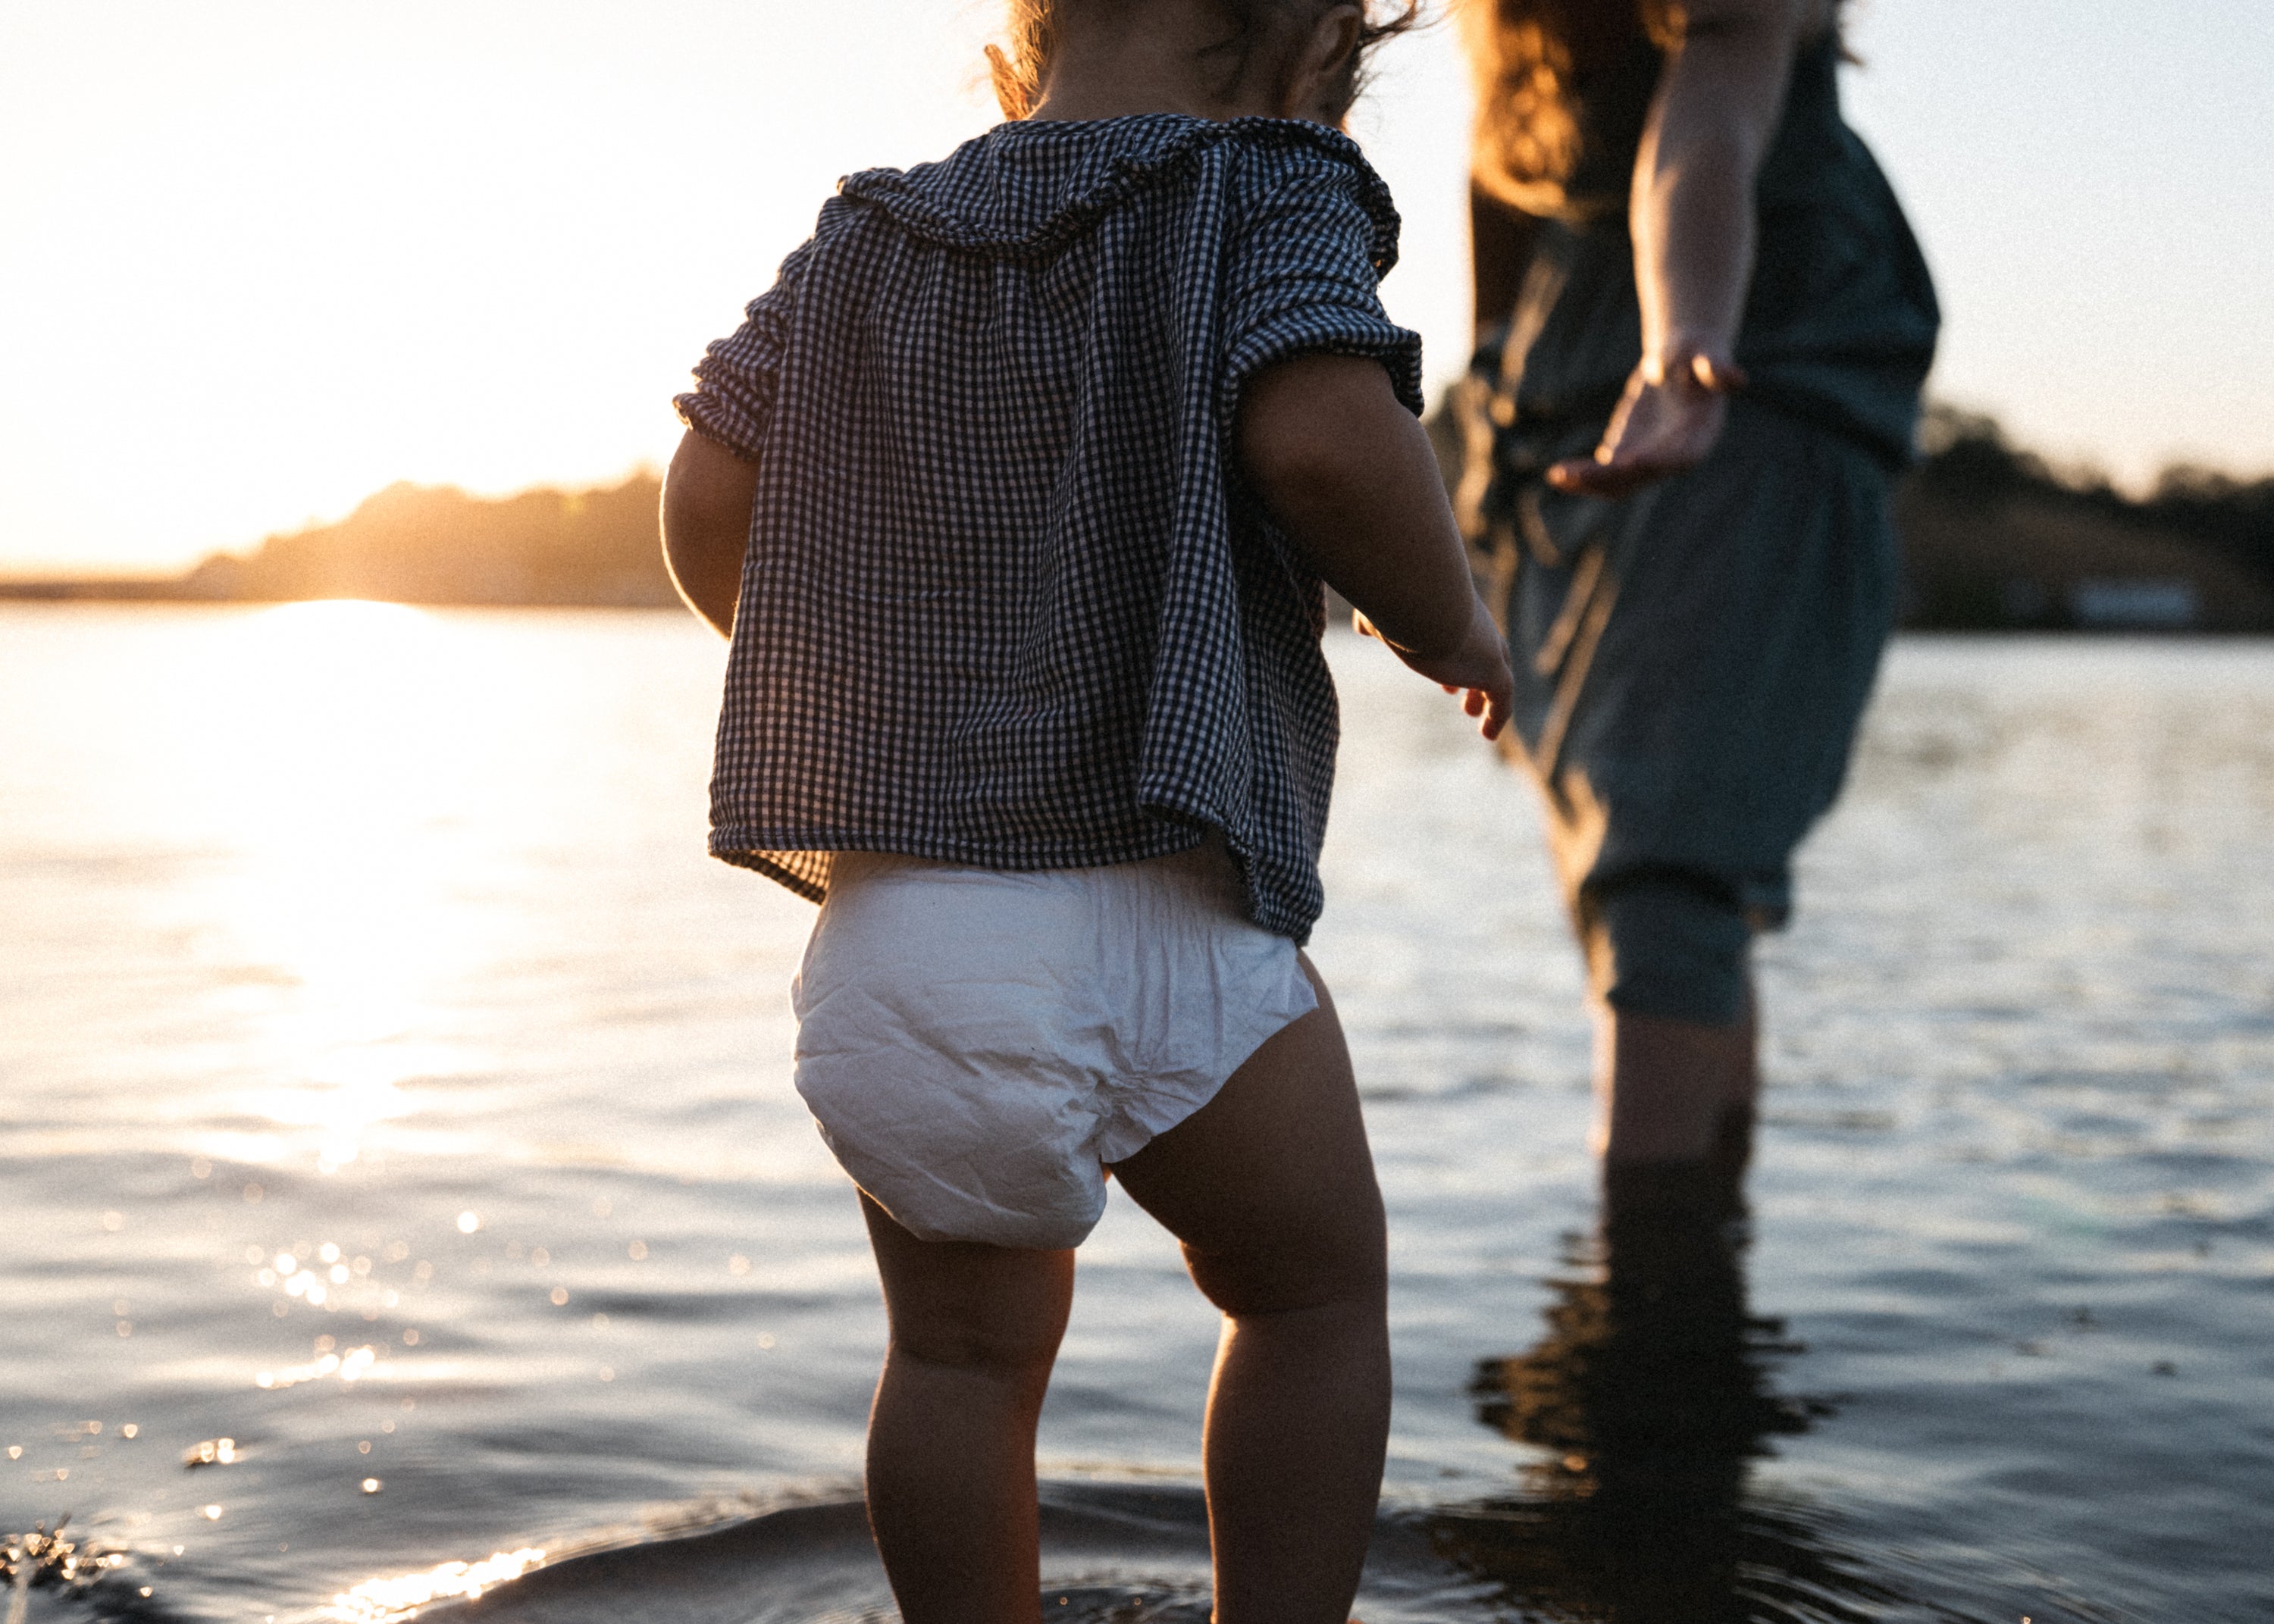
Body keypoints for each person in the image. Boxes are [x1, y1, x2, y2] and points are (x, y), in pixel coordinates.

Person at [659, 4, 1513, 1620]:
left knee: (959, 1359)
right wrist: (1452, 627)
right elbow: (1329, 444)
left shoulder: (863, 235)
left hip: (911, 940)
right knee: (1312, 1299)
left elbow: (710, 495)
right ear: (1305, 54)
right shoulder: (1263, 188)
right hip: (1167, 900)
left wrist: (858, 673)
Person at [1455, 0, 1938, 1197]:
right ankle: (1689, 1262)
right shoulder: (1511, 25)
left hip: (1733, 396)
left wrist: (1683, 344)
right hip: (1565, 435)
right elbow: (1501, 170)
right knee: (1632, 870)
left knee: (1667, 857)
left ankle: (1651, 1295)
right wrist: (1483, 389)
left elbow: (1706, 131)